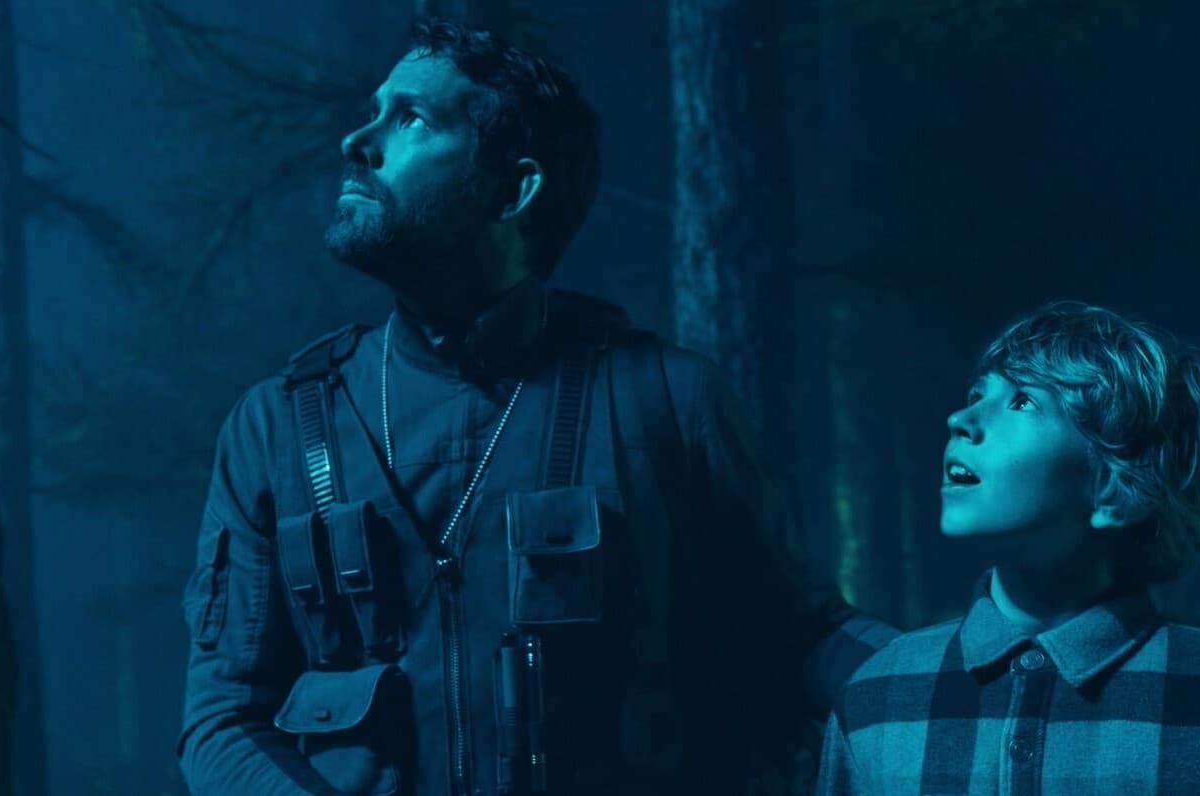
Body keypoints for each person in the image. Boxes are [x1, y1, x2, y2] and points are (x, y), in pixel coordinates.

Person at [176, 18, 896, 796]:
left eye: (410, 118)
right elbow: (224, 719)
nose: (358, 140)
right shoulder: (276, 428)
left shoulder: (663, 400)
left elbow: (798, 637)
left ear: (513, 189)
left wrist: (959, 675)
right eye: (373, 111)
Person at [816, 302, 1200, 794]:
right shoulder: (877, 695)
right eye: (977, 395)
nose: (961, 419)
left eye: (1022, 401)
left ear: (1115, 491)